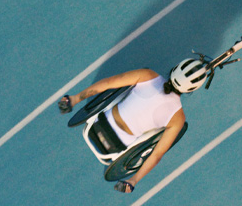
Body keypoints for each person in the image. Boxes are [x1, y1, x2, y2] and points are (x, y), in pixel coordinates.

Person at [58, 58, 207, 193]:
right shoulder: (178, 118)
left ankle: (72, 100)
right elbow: (157, 155)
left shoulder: (148, 75)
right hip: (112, 151)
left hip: (94, 126)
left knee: (121, 86)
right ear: (191, 90)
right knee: (161, 132)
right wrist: (133, 180)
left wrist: (74, 98)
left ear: (175, 68)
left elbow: (108, 83)